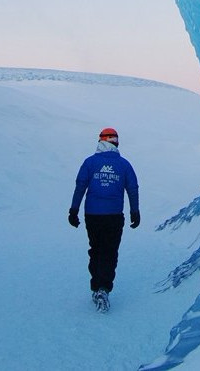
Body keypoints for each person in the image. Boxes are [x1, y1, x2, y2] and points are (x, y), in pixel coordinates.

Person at [68, 127, 140, 312]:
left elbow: (80, 186)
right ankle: (103, 288)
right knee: (110, 252)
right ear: (116, 142)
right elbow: (132, 188)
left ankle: (96, 286)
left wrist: (74, 210)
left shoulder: (90, 163)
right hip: (114, 216)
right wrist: (135, 211)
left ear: (100, 141)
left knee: (96, 249)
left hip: (92, 215)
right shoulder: (124, 165)